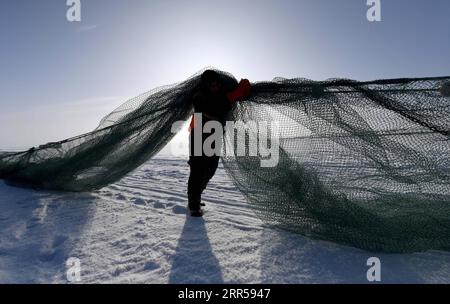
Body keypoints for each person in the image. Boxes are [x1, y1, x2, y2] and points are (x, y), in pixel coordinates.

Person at [187, 70, 251, 217]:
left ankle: (195, 196)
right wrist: (233, 96)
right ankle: (193, 204)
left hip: (215, 134)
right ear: (206, 86)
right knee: (197, 169)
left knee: (211, 169)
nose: (215, 87)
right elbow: (212, 107)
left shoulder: (223, 94)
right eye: (211, 85)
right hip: (198, 133)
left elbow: (227, 99)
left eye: (217, 84)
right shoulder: (199, 96)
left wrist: (241, 90)